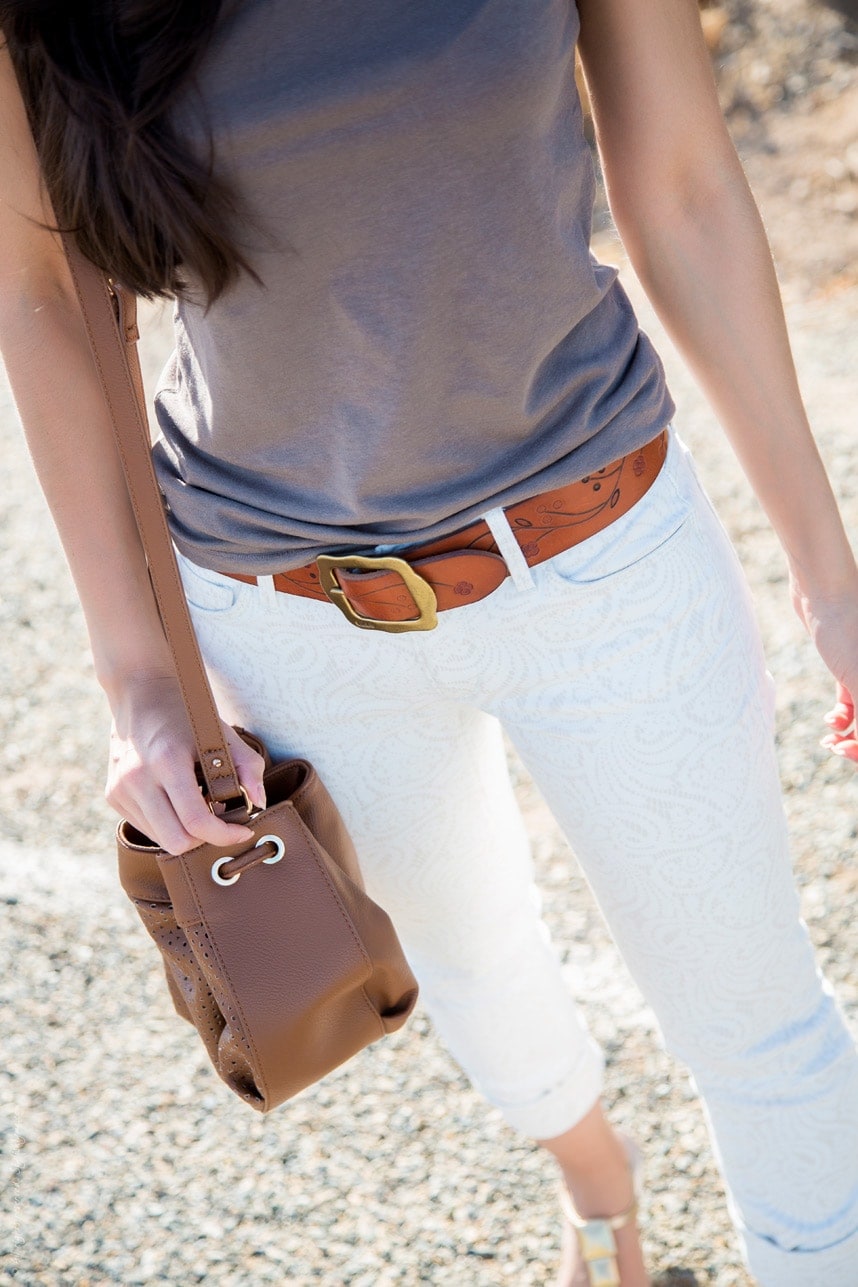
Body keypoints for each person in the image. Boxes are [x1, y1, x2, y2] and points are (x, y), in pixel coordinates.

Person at [1, 2, 857, 1283]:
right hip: (282, 608)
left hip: (604, 555)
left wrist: (830, 583)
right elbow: (40, 290)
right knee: (474, 968)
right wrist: (136, 679)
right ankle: (599, 1192)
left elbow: (680, 184)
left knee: (761, 1028)